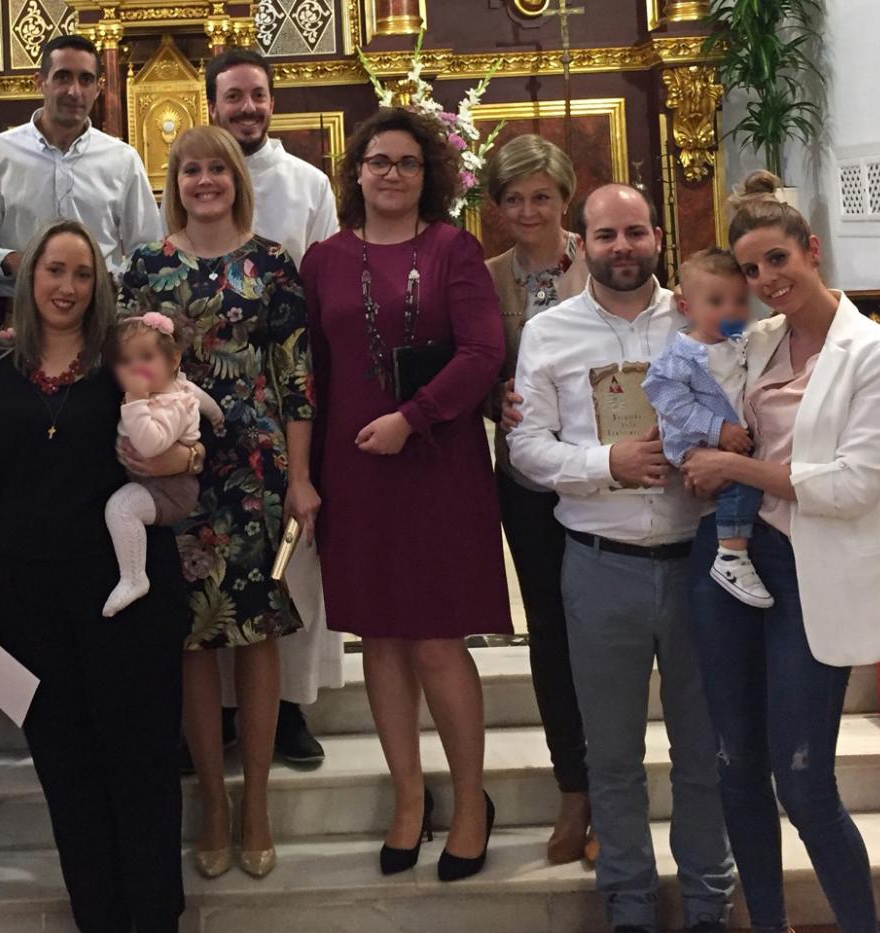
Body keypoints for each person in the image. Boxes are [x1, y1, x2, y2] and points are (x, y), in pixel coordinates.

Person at [680, 171, 880, 933]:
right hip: (726, 562)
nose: (765, 281)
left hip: (811, 570)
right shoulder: (753, 340)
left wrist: (734, 468)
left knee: (805, 780)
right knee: (735, 767)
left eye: (778, 259)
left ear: (812, 250)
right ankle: (767, 922)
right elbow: (680, 371)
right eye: (751, 270)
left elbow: (852, 487)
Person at [0, 219, 197, 933]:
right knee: (67, 767)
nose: (67, 286)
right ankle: (99, 915)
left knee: (143, 762)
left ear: (101, 285)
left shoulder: (125, 360)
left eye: (82, 274)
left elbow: (189, 433)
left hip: (128, 594)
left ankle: (153, 917)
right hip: (29, 598)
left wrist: (183, 463)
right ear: (29, 279)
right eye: (54, 270)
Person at [507, 183, 735, 933]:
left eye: (635, 232)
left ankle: (708, 901)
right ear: (582, 243)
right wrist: (608, 461)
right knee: (612, 754)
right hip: (601, 563)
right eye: (605, 235)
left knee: (705, 750)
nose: (622, 248)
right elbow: (526, 447)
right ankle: (629, 905)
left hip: (702, 559)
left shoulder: (705, 312)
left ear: (659, 237)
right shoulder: (551, 331)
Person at [301, 106, 510, 882]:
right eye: (378, 161)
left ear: (431, 175)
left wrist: (410, 417)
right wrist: (307, 475)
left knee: (434, 637)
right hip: (354, 470)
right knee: (380, 640)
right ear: (355, 172)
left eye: (407, 163)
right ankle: (408, 798)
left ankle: (467, 802)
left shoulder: (455, 249)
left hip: (435, 462)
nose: (391, 174)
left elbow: (485, 350)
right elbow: (312, 375)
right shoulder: (322, 258)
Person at [121, 125, 318, 880]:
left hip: (255, 466)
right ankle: (211, 799)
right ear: (175, 180)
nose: (205, 180)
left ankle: (258, 800)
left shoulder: (271, 262)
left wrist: (300, 476)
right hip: (176, 466)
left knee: (256, 631)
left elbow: (296, 377)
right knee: (193, 637)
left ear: (237, 177)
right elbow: (133, 370)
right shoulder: (150, 266)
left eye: (217, 169)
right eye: (191, 170)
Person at [204, 46, 341, 767]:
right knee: (216, 563)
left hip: (286, 389)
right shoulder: (195, 177)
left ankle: (290, 708)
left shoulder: (307, 182)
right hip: (209, 405)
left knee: (293, 558)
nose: (248, 108)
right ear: (213, 105)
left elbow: (319, 295)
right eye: (234, 97)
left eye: (257, 95)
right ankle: (226, 711)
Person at [481, 132, 592, 864]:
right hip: (527, 484)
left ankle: (613, 785)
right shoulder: (487, 277)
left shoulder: (606, 253)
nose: (529, 210)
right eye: (514, 198)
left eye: (541, 196)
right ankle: (574, 787)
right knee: (551, 631)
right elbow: (478, 373)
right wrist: (498, 396)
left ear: (565, 195)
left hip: (607, 475)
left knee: (608, 635)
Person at [0, 34, 161, 297]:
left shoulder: (122, 159)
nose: (74, 91)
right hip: (21, 312)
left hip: (100, 312)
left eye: (85, 79)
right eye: (62, 77)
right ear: (40, 82)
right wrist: (14, 261)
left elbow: (148, 250)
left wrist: (106, 277)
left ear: (99, 88)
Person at [643, 248, 772, 608]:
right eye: (716, 301)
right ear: (687, 307)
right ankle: (731, 554)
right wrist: (718, 430)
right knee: (740, 484)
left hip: (732, 438)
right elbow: (669, 402)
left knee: (747, 481)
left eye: (740, 300)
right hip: (694, 440)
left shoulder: (741, 342)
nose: (731, 311)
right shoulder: (681, 355)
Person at [101, 312, 223, 617]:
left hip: (168, 489)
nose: (136, 368)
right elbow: (204, 400)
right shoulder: (181, 388)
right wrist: (216, 417)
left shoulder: (168, 405)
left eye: (146, 357)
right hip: (149, 481)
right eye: (126, 362)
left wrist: (135, 404)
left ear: (172, 360)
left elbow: (151, 445)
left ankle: (133, 577)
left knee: (120, 508)